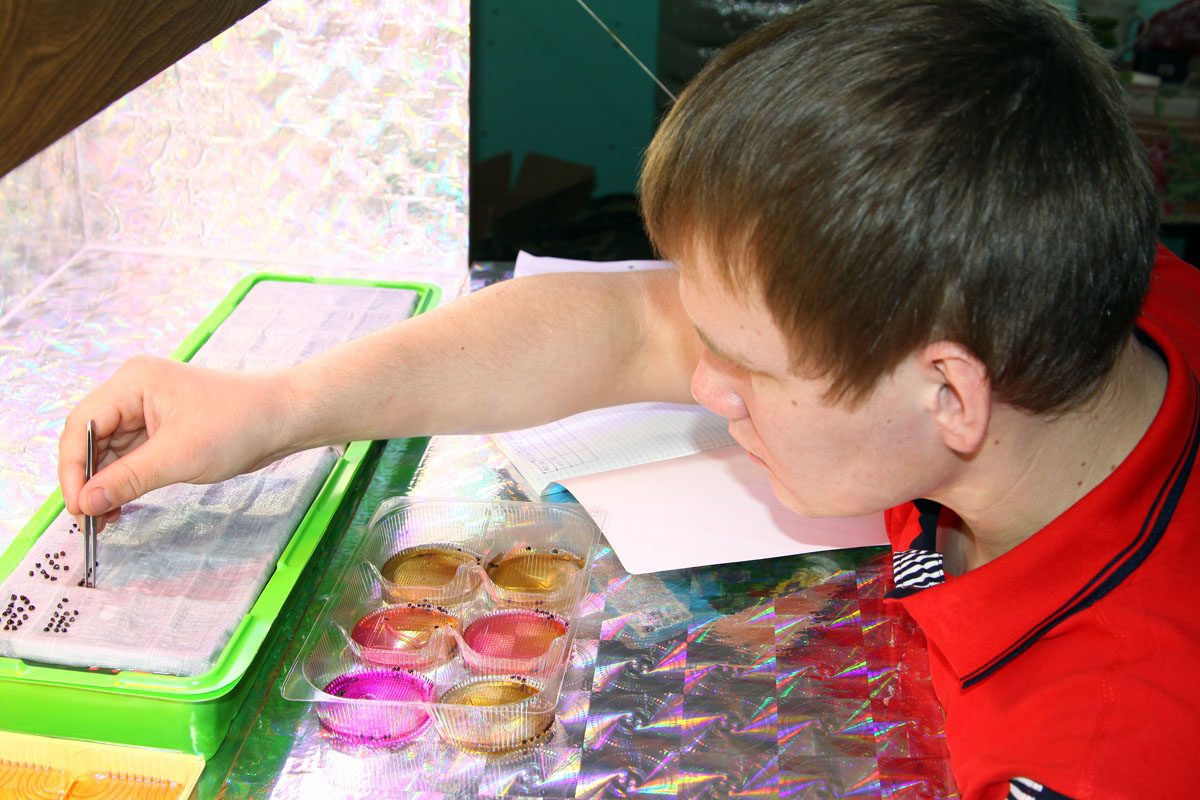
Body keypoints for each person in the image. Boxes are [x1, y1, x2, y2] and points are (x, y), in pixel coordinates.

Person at [58, 0, 1199, 796]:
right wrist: (273, 408)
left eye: (747, 367)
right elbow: (625, 325)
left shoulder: (1098, 749)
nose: (702, 385)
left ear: (948, 392)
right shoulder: (1058, 286)